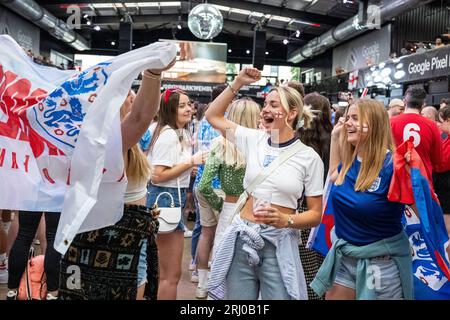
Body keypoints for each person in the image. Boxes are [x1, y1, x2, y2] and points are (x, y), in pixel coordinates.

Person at [58, 63, 174, 300]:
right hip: (118, 245)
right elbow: (142, 116)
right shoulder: (109, 142)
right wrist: (153, 73)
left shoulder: (96, 140)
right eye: (130, 95)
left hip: (96, 240)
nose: (133, 99)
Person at [206, 67, 324, 300]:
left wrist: (286, 220)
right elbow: (213, 116)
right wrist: (237, 83)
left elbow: (316, 214)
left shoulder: (309, 157)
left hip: (279, 244)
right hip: (243, 237)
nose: (265, 109)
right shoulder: (254, 139)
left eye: (273, 105)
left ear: (291, 114)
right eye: (266, 103)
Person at [311, 99, 413, 300]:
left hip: (381, 266)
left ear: (374, 124)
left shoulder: (394, 166)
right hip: (344, 258)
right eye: (348, 117)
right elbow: (334, 175)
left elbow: (425, 211)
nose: (347, 122)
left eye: (355, 118)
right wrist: (335, 137)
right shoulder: (349, 163)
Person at [196, 98, 261, 299]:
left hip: (229, 209)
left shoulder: (219, 144)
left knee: (221, 267)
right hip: (256, 213)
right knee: (253, 270)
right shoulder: (264, 145)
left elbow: (205, 184)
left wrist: (220, 206)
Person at [146, 88, 207, 300]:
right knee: (169, 275)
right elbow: (157, 175)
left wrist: (185, 167)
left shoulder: (175, 133)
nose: (188, 109)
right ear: (170, 109)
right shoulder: (169, 135)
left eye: (188, 104)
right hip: (165, 199)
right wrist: (190, 162)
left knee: (169, 274)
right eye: (181, 105)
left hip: (170, 200)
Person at [296, 92, 333, 300]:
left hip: (303, 209)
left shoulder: (297, 139)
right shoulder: (336, 138)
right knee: (326, 266)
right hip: (329, 210)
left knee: (304, 266)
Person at [390, 87, 442, 181]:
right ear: (423, 104)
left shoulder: (390, 123)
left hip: (395, 180)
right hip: (422, 179)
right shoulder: (432, 125)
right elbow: (437, 159)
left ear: (404, 101)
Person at [435, 106, 450, 236]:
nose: (438, 125)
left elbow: (442, 163)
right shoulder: (446, 136)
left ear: (448, 121)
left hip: (446, 185)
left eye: (440, 122)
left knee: (446, 224)